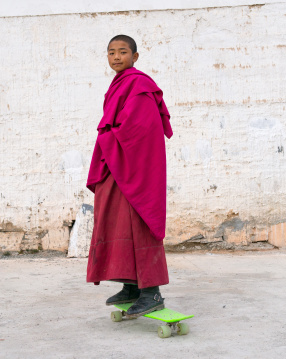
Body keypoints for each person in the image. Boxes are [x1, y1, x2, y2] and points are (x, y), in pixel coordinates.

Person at [86, 34, 173, 318]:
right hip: (117, 164)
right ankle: (131, 285)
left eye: (123, 52)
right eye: (111, 52)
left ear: (135, 57)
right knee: (117, 222)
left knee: (139, 222)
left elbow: (140, 130)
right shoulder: (118, 85)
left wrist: (108, 137)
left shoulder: (140, 85)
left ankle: (152, 293)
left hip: (136, 168)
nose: (116, 57)